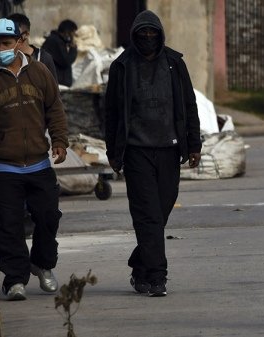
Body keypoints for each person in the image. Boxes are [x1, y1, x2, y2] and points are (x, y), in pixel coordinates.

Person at [0, 18, 68, 301]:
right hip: (1, 166)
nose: (0, 49)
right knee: (7, 225)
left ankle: (42, 264)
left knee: (48, 217)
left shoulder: (40, 72)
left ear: (19, 42)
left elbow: (55, 109)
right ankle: (14, 279)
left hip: (38, 164)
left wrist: (59, 141)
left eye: (6, 43)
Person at [104, 10, 201, 297]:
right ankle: (158, 277)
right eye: (142, 34)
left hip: (170, 151)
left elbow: (189, 104)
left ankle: (139, 266)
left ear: (160, 36)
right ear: (134, 36)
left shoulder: (174, 63)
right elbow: (111, 112)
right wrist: (113, 151)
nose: (148, 39)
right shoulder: (121, 66)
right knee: (148, 217)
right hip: (136, 153)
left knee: (161, 212)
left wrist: (194, 144)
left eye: (153, 34)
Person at [7, 13, 59, 82]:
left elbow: (53, 90)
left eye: (14, 35)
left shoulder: (43, 59)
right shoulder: (3, 58)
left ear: (26, 35)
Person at [42, 19, 78, 87]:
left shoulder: (56, 40)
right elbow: (66, 61)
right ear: (68, 32)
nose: (73, 36)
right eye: (73, 33)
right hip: (56, 83)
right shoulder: (56, 41)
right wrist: (73, 48)